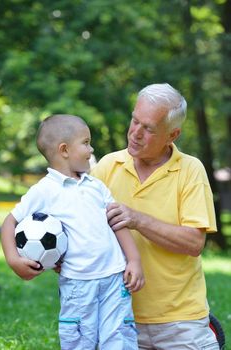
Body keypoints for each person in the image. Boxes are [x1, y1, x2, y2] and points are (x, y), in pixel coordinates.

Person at [91, 83, 220, 349]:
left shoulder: (190, 170)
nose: (135, 133)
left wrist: (137, 219)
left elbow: (194, 243)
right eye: (134, 121)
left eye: (148, 128)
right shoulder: (107, 166)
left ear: (172, 134)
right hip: (118, 315)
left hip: (180, 319)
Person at [1, 114, 145, 350]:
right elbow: (10, 222)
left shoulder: (96, 186)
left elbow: (117, 223)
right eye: (86, 142)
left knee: (119, 339)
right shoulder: (45, 190)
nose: (91, 148)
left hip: (114, 278)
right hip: (78, 284)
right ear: (64, 150)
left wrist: (134, 260)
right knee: (79, 341)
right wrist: (13, 259)